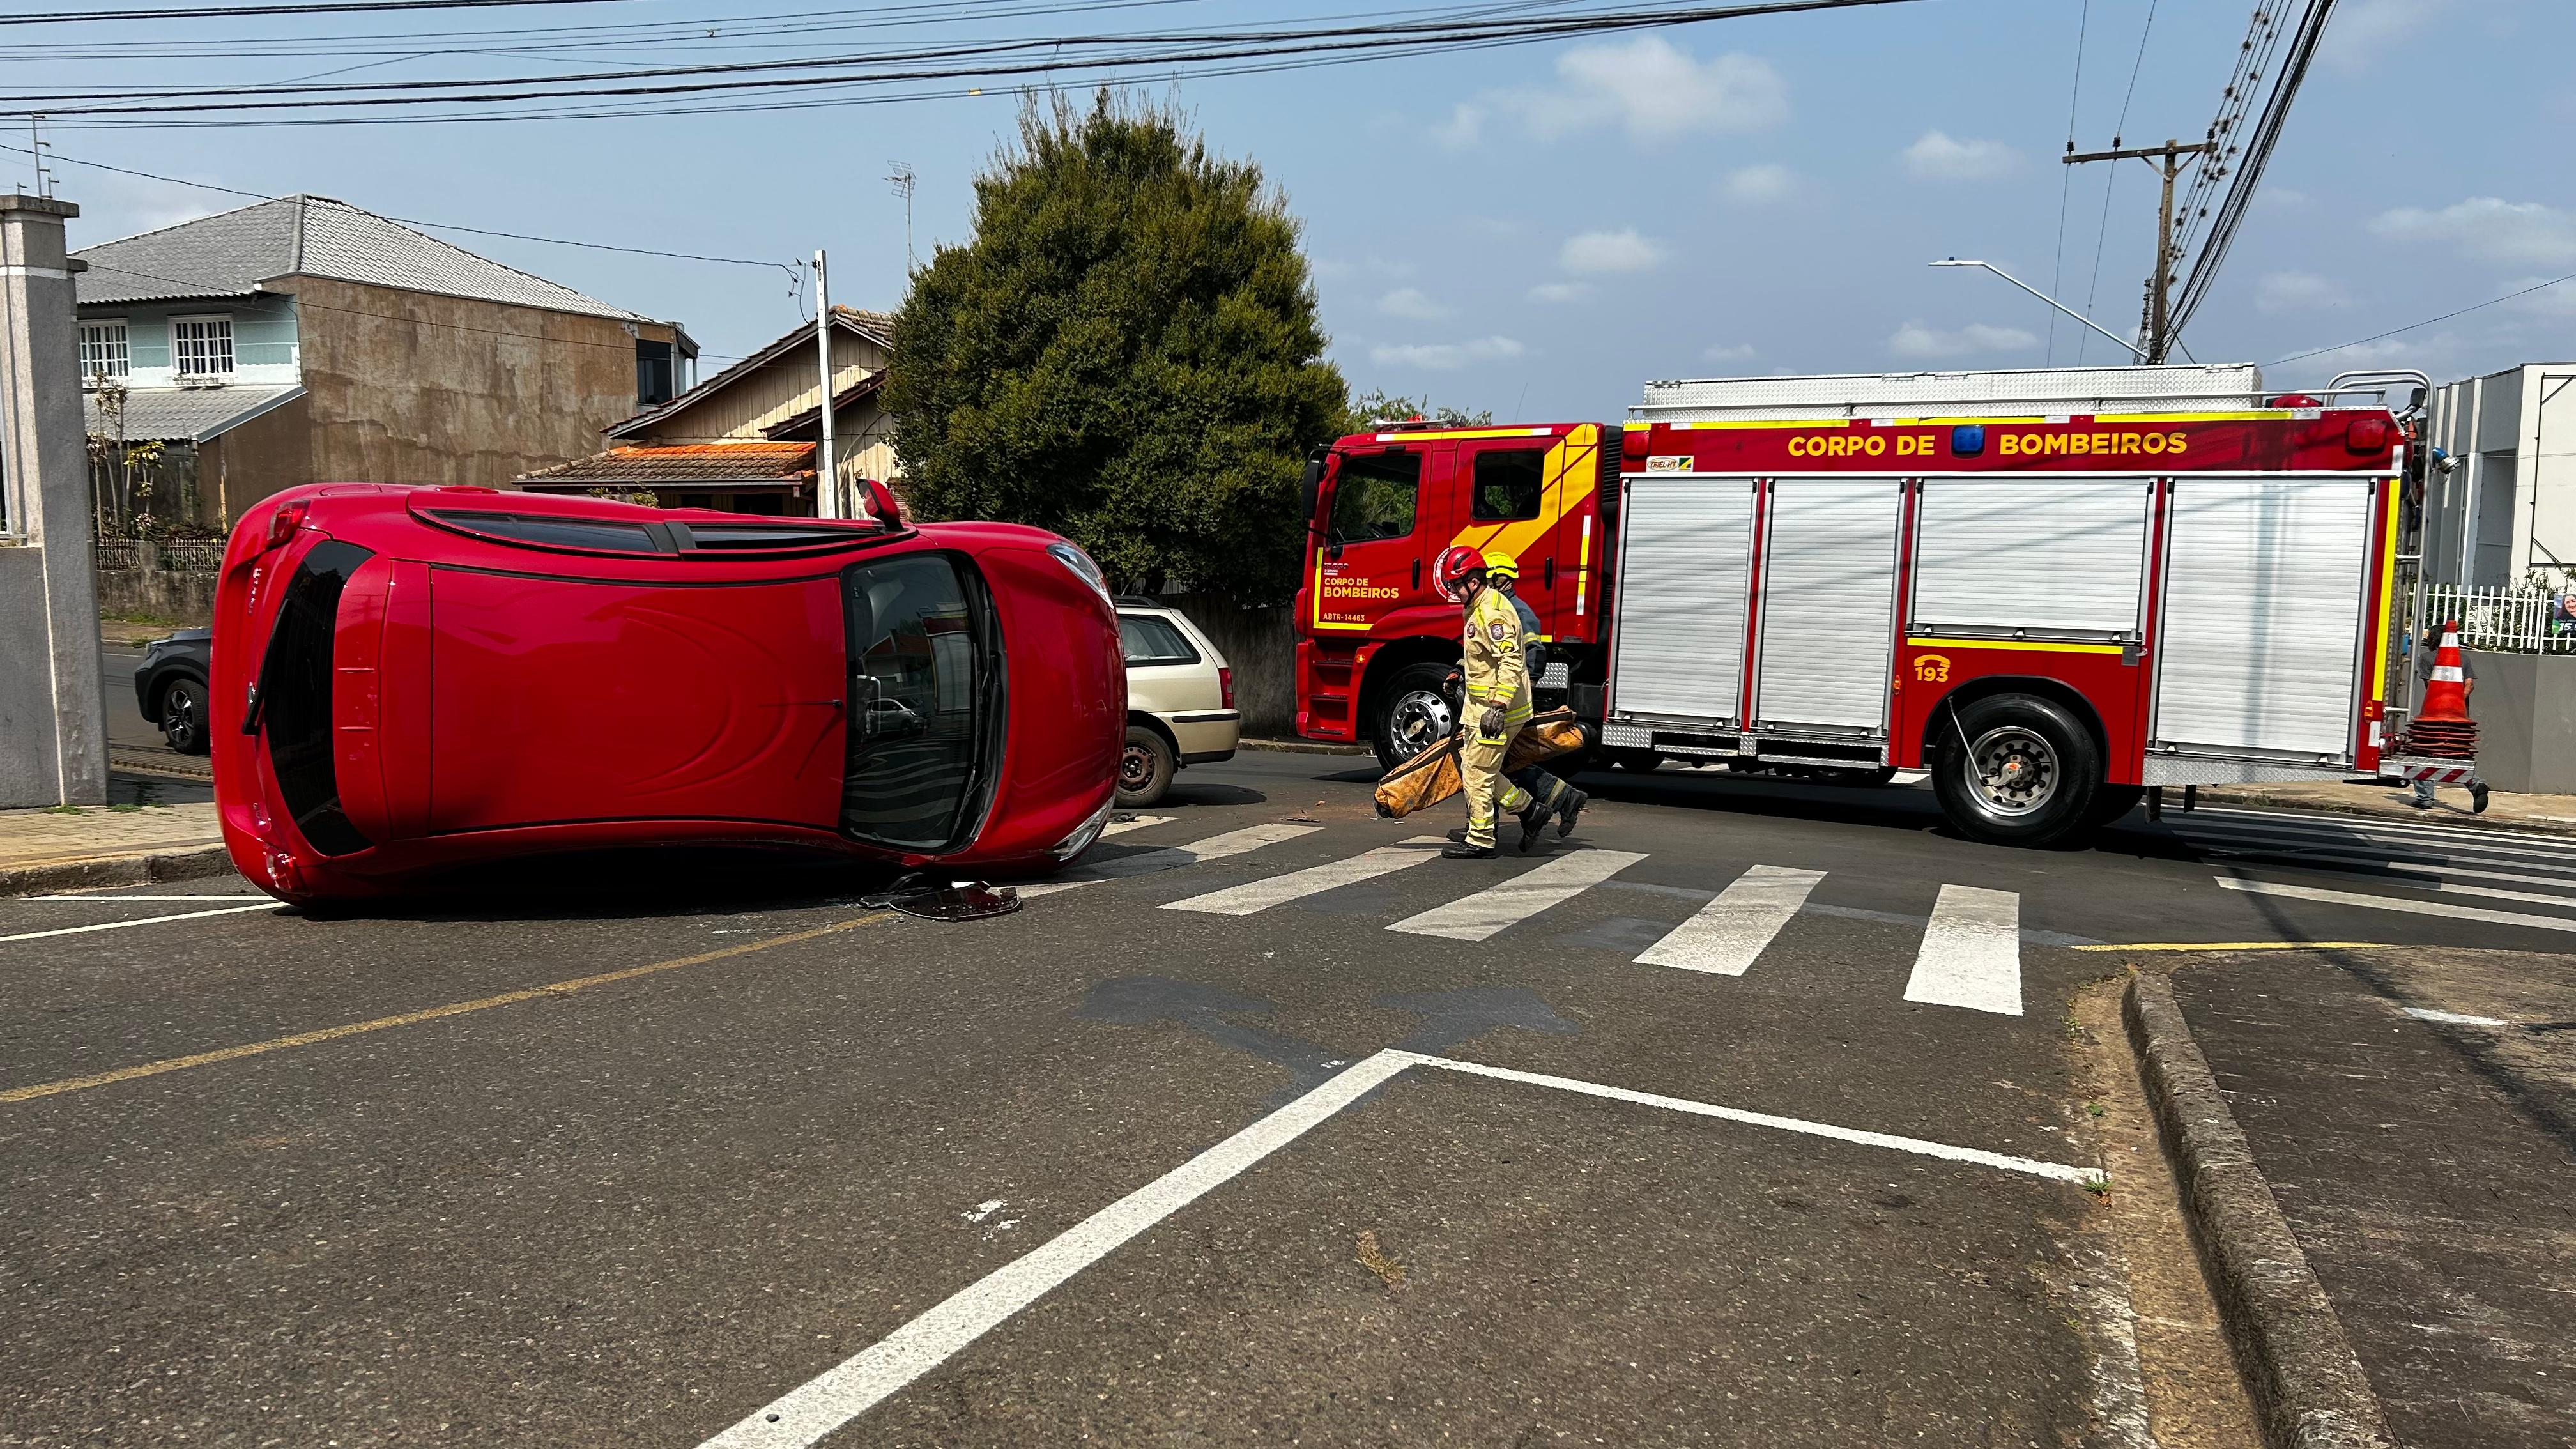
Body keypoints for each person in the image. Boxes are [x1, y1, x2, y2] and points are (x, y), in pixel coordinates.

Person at [1432, 547, 1578, 857]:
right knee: (1475, 768)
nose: (1455, 593)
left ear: (1474, 580)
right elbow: (1482, 657)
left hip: (1498, 711)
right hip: (1481, 708)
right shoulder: (1478, 605)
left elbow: (1511, 661)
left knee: (1478, 773)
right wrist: (1460, 672)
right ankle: (1530, 811)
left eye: (1457, 585)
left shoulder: (1492, 612)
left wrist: (1498, 707)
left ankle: (1482, 839)